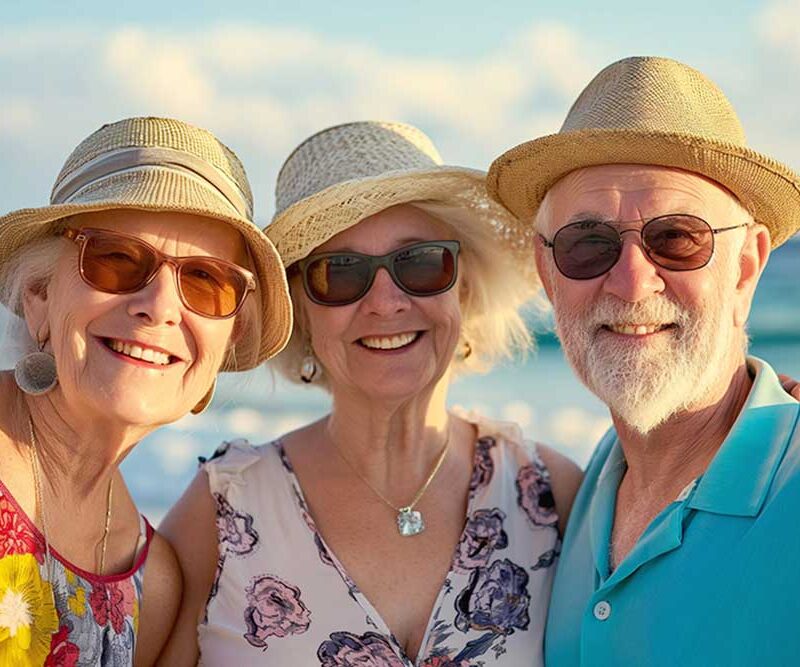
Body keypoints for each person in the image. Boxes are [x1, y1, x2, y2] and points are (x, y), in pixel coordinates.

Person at [160, 121, 583, 665]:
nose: (385, 302)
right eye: (339, 272)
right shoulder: (222, 511)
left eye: (421, 263)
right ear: (301, 315)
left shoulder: (551, 496)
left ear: (466, 287)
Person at [488, 56, 800, 666]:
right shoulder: (587, 490)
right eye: (588, 244)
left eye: (677, 239)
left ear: (745, 267)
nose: (631, 284)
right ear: (547, 274)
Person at [0, 116, 292, 666]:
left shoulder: (151, 588)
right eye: (116, 260)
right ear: (40, 296)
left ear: (220, 351)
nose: (158, 307)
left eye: (206, 282)